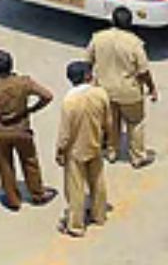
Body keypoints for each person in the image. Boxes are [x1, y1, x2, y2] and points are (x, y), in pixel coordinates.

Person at [0, 49, 55, 211]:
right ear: (11, 65)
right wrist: (32, 109)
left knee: (5, 165)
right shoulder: (24, 83)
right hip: (21, 128)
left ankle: (13, 199)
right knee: (30, 161)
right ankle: (38, 194)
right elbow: (47, 96)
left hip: (1, 132)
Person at [87, 8, 159, 168]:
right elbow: (143, 71)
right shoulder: (134, 43)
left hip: (104, 89)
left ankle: (112, 152)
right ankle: (138, 157)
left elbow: (88, 61)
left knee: (111, 121)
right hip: (129, 91)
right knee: (135, 122)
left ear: (112, 21)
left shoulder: (98, 38)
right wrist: (152, 88)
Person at [56, 61, 111, 237]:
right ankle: (99, 214)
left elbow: (65, 132)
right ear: (87, 76)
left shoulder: (69, 101)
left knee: (76, 188)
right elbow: (108, 121)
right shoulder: (100, 94)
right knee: (98, 181)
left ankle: (76, 225)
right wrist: (108, 140)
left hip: (75, 150)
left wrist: (60, 150)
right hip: (95, 143)